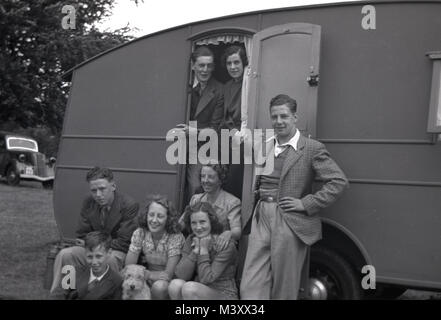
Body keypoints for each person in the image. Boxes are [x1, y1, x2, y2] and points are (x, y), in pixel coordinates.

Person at [240, 94, 349, 300]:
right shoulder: (266, 144)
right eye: (274, 117)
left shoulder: (311, 148)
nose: (279, 121)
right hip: (261, 215)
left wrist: (305, 203)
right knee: (250, 285)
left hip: (288, 218)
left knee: (285, 288)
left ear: (295, 117)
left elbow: (338, 182)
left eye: (284, 116)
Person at [50, 166, 139, 292]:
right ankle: (64, 294)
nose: (98, 194)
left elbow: (124, 242)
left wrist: (94, 243)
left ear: (113, 186)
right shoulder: (88, 202)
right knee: (66, 254)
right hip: (92, 248)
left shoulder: (129, 205)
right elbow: (82, 234)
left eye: (102, 189)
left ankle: (105, 295)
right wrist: (91, 243)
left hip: (115, 252)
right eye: (93, 190)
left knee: (109, 259)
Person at [174, 46, 224, 202]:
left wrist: (193, 131)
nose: (205, 70)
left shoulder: (219, 90)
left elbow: (215, 129)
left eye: (209, 66)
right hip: (177, 143)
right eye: (201, 65)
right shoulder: (182, 85)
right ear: (193, 66)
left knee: (196, 186)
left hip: (203, 146)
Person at [168, 202, 238, 300]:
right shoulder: (191, 239)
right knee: (175, 285)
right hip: (198, 289)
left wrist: (204, 250)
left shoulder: (225, 244)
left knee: (190, 288)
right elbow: (181, 274)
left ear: (211, 222)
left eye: (202, 222)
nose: (198, 227)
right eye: (194, 223)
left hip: (224, 293)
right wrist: (195, 251)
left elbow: (207, 278)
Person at [125, 194, 185, 300]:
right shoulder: (140, 233)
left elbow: (168, 275)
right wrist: (147, 275)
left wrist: (145, 274)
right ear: (146, 215)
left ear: (168, 219)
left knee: (159, 287)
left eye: (160, 216)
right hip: (144, 276)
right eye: (151, 215)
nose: (154, 220)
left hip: (170, 283)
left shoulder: (175, 237)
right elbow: (129, 267)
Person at [181, 164, 241, 251]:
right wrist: (189, 210)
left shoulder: (232, 202)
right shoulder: (196, 198)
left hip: (219, 248)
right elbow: (180, 225)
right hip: (197, 246)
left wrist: (229, 233)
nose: (205, 180)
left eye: (210, 177)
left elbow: (237, 231)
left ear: (220, 180)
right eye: (203, 176)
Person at [49, 231, 123, 300]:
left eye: (98, 256)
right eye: (90, 257)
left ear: (109, 253)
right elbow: (58, 294)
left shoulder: (117, 282)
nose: (94, 262)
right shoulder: (74, 272)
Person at [220, 45, 248, 199]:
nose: (233, 67)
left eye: (236, 62)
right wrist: (234, 132)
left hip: (248, 136)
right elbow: (225, 117)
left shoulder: (250, 83)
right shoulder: (227, 87)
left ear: (243, 63)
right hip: (231, 136)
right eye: (229, 63)